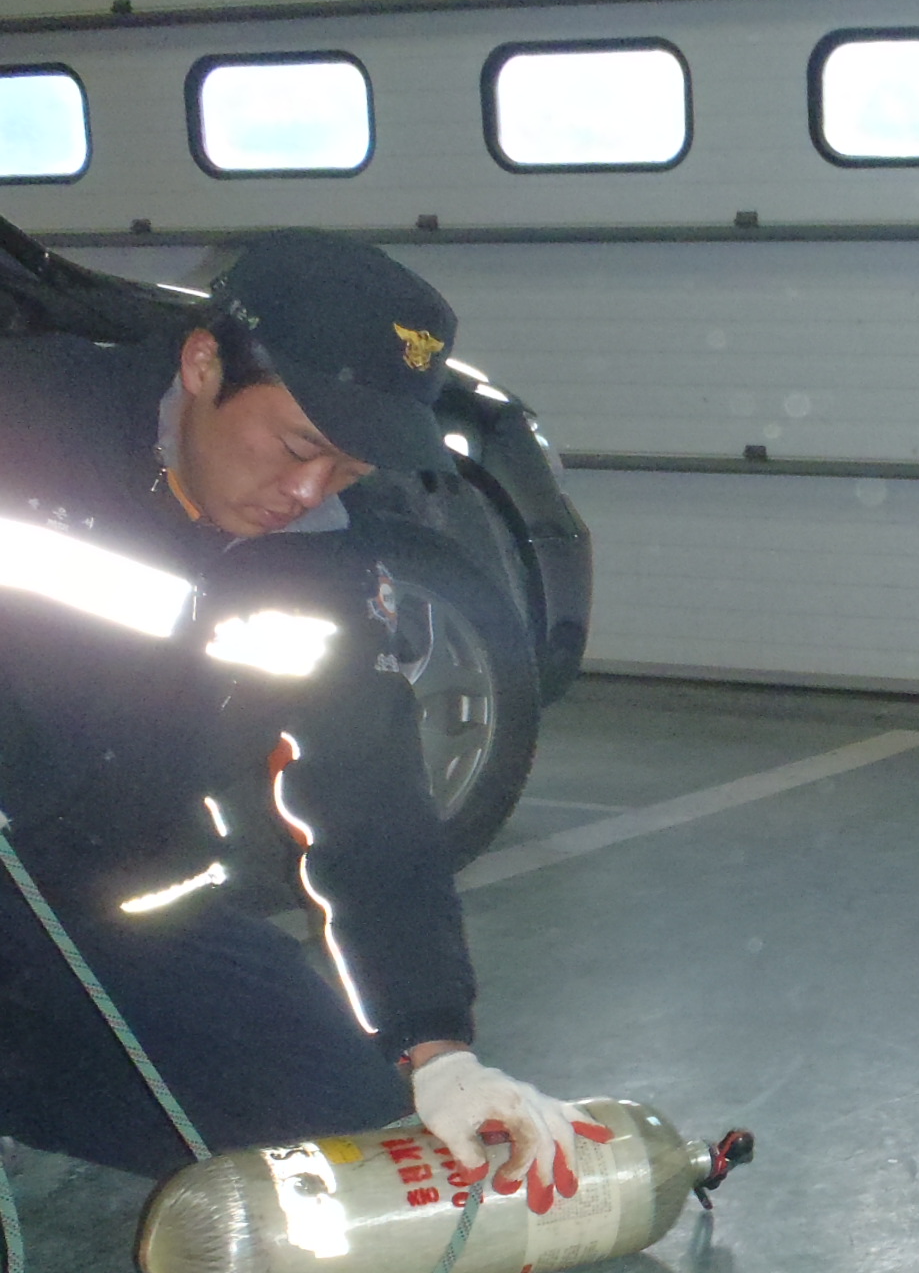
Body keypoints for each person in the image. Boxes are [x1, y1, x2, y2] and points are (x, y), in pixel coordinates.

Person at [0, 231, 597, 1203]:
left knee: (342, 1124)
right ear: (204, 365)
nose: (308, 494)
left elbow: (367, 796)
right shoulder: (24, 421)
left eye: (348, 469)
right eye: (299, 447)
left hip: (121, 907)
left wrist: (435, 1047)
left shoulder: (322, 561)